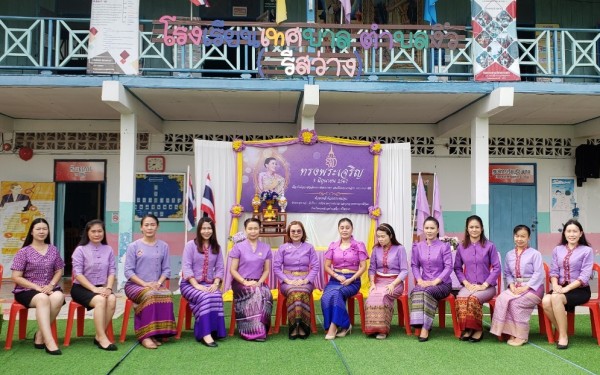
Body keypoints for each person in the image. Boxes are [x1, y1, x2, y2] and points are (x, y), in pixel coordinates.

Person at [11, 218, 65, 355]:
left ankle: (40, 335)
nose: (42, 231)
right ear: (32, 232)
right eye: (38, 229)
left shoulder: (53, 250)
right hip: (26, 289)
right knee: (42, 298)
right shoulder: (23, 252)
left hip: (48, 287)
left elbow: (59, 270)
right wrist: (36, 287)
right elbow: (16, 277)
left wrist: (52, 285)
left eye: (44, 229)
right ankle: (49, 341)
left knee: (59, 296)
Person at [124, 214, 176, 349]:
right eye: (146, 225)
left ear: (157, 227)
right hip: (135, 285)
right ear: (141, 228)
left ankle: (158, 333)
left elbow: (166, 270)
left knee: (167, 295)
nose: (149, 228)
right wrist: (145, 284)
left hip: (155, 284)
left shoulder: (163, 246)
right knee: (150, 295)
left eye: (152, 225)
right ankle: (145, 336)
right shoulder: (133, 246)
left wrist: (158, 283)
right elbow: (128, 271)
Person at [542, 219, 594, 350]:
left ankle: (563, 336)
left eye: (575, 231)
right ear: (564, 233)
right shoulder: (557, 250)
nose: (572, 234)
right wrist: (555, 285)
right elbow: (553, 271)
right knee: (545, 301)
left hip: (579, 289)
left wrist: (566, 289)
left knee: (555, 298)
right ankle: (562, 331)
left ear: (581, 233)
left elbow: (584, 276)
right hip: (560, 287)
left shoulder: (587, 251)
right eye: (569, 231)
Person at [490, 225, 544, 346]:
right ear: (514, 237)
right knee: (502, 299)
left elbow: (539, 273)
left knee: (516, 303)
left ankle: (521, 335)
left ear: (528, 238)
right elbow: (508, 273)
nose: (519, 239)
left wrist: (526, 287)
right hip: (516, 287)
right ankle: (509, 332)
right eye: (517, 236)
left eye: (523, 236)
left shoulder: (535, 254)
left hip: (534, 288)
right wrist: (511, 285)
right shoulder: (509, 254)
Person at [70, 219, 117, 351]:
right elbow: (77, 273)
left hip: (101, 286)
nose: (97, 234)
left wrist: (108, 287)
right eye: (93, 231)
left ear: (103, 233)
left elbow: (112, 271)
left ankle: (98, 335)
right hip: (81, 288)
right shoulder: (80, 250)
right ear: (87, 233)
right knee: (101, 300)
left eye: (100, 231)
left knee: (112, 299)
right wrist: (93, 289)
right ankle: (102, 337)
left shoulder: (108, 249)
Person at [453, 215, 501, 342]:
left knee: (474, 299)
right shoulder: (461, 247)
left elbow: (496, 268)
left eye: (477, 227)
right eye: (471, 227)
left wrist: (484, 285)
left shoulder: (490, 246)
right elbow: (457, 268)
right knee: (461, 298)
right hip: (468, 285)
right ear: (467, 229)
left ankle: (478, 329)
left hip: (487, 287)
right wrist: (466, 283)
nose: (474, 229)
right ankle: (468, 329)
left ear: (482, 229)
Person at [180, 217, 226, 347]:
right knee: (206, 297)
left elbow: (220, 267)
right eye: (204, 228)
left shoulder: (216, 247)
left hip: (210, 283)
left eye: (209, 228)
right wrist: (196, 285)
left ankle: (215, 331)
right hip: (189, 284)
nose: (206, 231)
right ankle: (205, 335)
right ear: (199, 230)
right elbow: (186, 266)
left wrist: (216, 284)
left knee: (216, 295)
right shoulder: (190, 245)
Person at [321, 218, 368, 340]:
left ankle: (334, 326)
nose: (344, 230)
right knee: (325, 296)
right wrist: (336, 276)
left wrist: (351, 279)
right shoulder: (333, 246)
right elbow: (326, 266)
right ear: (338, 229)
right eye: (342, 228)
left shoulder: (359, 245)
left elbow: (363, 267)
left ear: (352, 229)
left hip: (353, 281)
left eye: (347, 227)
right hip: (335, 279)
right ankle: (344, 324)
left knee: (337, 293)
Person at [273, 221, 319, 339]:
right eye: (293, 231)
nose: (296, 233)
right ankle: (294, 327)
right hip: (288, 282)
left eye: (299, 231)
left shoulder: (309, 247)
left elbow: (315, 266)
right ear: (289, 233)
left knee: (302, 291)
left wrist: (307, 280)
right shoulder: (283, 248)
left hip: (305, 281)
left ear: (303, 232)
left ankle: (303, 327)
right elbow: (276, 268)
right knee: (294, 292)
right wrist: (287, 280)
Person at [229, 217, 273, 341]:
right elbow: (233, 270)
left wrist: (259, 282)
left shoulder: (266, 247)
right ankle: (253, 332)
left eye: (255, 228)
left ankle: (262, 327)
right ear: (245, 230)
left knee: (266, 293)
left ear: (260, 229)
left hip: (258, 281)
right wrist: (245, 282)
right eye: (250, 229)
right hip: (240, 282)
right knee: (257, 292)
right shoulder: (238, 247)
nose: (253, 231)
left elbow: (266, 270)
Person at [410, 216, 452, 342]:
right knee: (416, 291)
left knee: (427, 291)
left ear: (438, 229)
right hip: (424, 282)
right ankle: (419, 323)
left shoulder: (444, 246)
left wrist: (435, 281)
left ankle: (425, 328)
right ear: (423, 229)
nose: (429, 231)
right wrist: (419, 280)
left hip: (442, 284)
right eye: (427, 228)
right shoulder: (418, 247)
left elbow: (449, 267)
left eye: (432, 228)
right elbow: (414, 265)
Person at [364, 223, 408, 339]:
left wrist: (393, 284)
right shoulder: (375, 249)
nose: (380, 239)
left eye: (383, 236)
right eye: (378, 236)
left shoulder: (400, 249)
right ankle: (372, 329)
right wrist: (372, 283)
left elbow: (404, 271)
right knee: (372, 295)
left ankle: (382, 330)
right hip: (378, 281)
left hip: (395, 282)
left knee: (384, 295)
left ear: (391, 236)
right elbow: (372, 268)